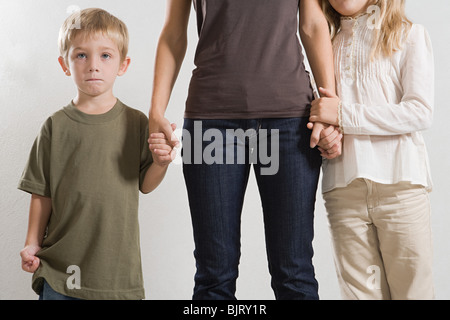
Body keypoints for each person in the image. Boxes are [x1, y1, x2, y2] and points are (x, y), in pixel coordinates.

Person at [149, 0, 342, 300]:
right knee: (214, 276)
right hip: (210, 124)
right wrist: (155, 110)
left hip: (289, 121)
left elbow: (313, 24)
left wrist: (329, 107)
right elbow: (173, 32)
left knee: (294, 273)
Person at [18, 8, 174, 300]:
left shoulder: (137, 122)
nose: (93, 65)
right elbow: (41, 192)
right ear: (66, 64)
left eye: (105, 55)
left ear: (122, 65)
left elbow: (145, 184)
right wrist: (31, 242)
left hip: (117, 276)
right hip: (59, 273)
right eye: (81, 55)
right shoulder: (55, 126)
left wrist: (160, 162)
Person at [309, 0, 435, 299]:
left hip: (401, 187)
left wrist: (343, 116)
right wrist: (326, 131)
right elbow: (322, 113)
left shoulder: (408, 35)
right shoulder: (324, 45)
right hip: (343, 190)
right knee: (358, 295)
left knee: (413, 292)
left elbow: (419, 112)